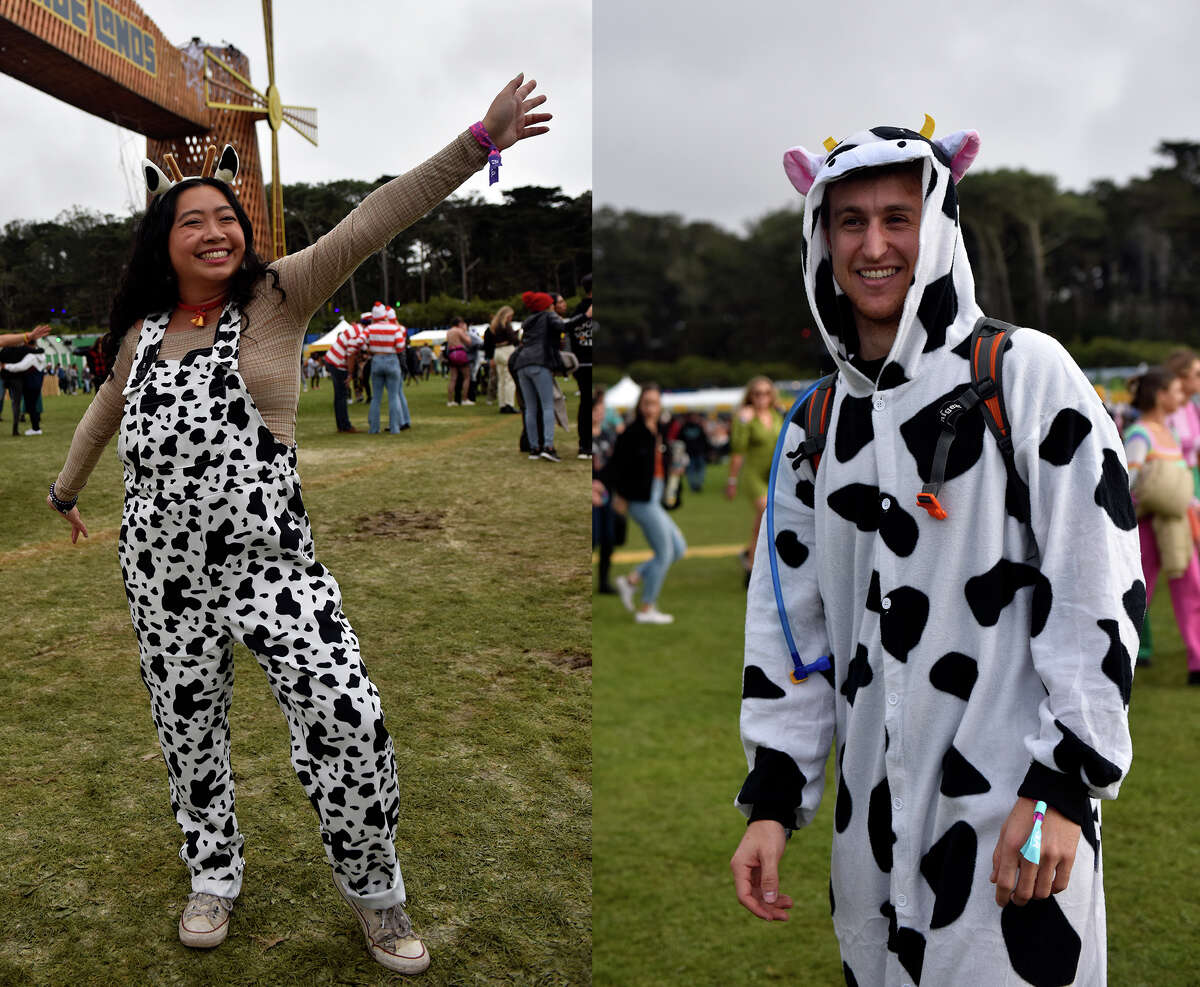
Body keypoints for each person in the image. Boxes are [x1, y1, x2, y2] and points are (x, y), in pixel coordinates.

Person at [45, 73, 550, 976]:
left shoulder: (278, 299)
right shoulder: (141, 337)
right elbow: (101, 416)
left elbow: (378, 216)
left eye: (226, 217)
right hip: (162, 578)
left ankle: (378, 893)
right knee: (186, 727)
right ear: (165, 243)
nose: (215, 230)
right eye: (192, 219)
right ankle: (213, 871)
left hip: (276, 571)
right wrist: (64, 491)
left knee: (347, 712)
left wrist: (480, 141)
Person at [730, 123, 1142, 985]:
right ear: (820, 238)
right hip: (865, 842)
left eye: (897, 218)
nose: (873, 246)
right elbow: (789, 630)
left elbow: (1097, 588)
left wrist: (1065, 786)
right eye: (849, 222)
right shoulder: (813, 426)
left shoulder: (1025, 373)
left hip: (1016, 817)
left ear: (941, 226)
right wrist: (773, 799)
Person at [1124, 367, 1200, 685]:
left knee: (1193, 590)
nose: (1183, 396)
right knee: (1137, 593)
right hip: (1147, 526)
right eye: (1176, 390)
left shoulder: (1167, 432)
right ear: (1160, 394)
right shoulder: (1140, 434)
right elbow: (1126, 481)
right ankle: (1120, 656)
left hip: (1177, 525)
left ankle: (1197, 661)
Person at [597, 383, 687, 624]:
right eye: (646, 403)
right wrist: (619, 495)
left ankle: (631, 581)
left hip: (655, 497)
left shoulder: (658, 430)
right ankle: (646, 609)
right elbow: (617, 466)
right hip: (640, 501)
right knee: (664, 553)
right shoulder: (633, 432)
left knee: (679, 548)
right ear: (640, 405)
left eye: (654, 403)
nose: (650, 408)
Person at [509, 291, 588, 461]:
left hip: (521, 364)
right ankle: (548, 446)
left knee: (530, 408)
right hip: (539, 363)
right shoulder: (548, 316)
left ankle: (534, 448)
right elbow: (564, 327)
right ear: (547, 306)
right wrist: (585, 316)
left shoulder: (529, 321)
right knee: (547, 406)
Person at [726, 376, 782, 578]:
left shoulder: (776, 416)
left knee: (760, 525)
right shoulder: (745, 417)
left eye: (766, 393)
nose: (762, 397)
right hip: (753, 476)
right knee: (770, 515)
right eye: (757, 393)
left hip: (773, 475)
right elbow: (738, 450)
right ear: (750, 395)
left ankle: (750, 565)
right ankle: (765, 566)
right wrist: (732, 480)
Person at [366, 302, 412, 434]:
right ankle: (395, 427)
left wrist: (370, 350)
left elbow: (360, 342)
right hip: (392, 360)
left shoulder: (370, 328)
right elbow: (400, 347)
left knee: (376, 398)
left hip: (376, 360)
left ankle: (374, 428)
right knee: (394, 396)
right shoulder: (396, 328)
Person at [564, 275, 594, 459]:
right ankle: (586, 445)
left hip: (581, 364)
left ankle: (586, 445)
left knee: (586, 403)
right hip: (585, 363)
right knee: (589, 403)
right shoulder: (581, 311)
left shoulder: (576, 311)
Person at [324, 316, 368, 433]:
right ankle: (345, 426)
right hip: (338, 364)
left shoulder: (357, 329)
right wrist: (350, 374)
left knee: (339, 396)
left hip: (332, 360)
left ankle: (341, 425)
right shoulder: (359, 334)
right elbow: (351, 355)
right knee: (342, 395)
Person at [488, 305, 519, 413]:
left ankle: (502, 404)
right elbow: (513, 338)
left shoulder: (494, 325)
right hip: (507, 350)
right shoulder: (506, 324)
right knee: (509, 379)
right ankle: (509, 404)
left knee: (501, 380)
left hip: (497, 352)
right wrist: (517, 335)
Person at [444, 316, 473, 406]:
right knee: (466, 376)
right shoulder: (459, 331)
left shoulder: (449, 332)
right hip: (460, 352)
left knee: (453, 378)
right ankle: (464, 399)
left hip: (452, 353)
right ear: (459, 323)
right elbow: (468, 342)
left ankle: (450, 400)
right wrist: (465, 331)